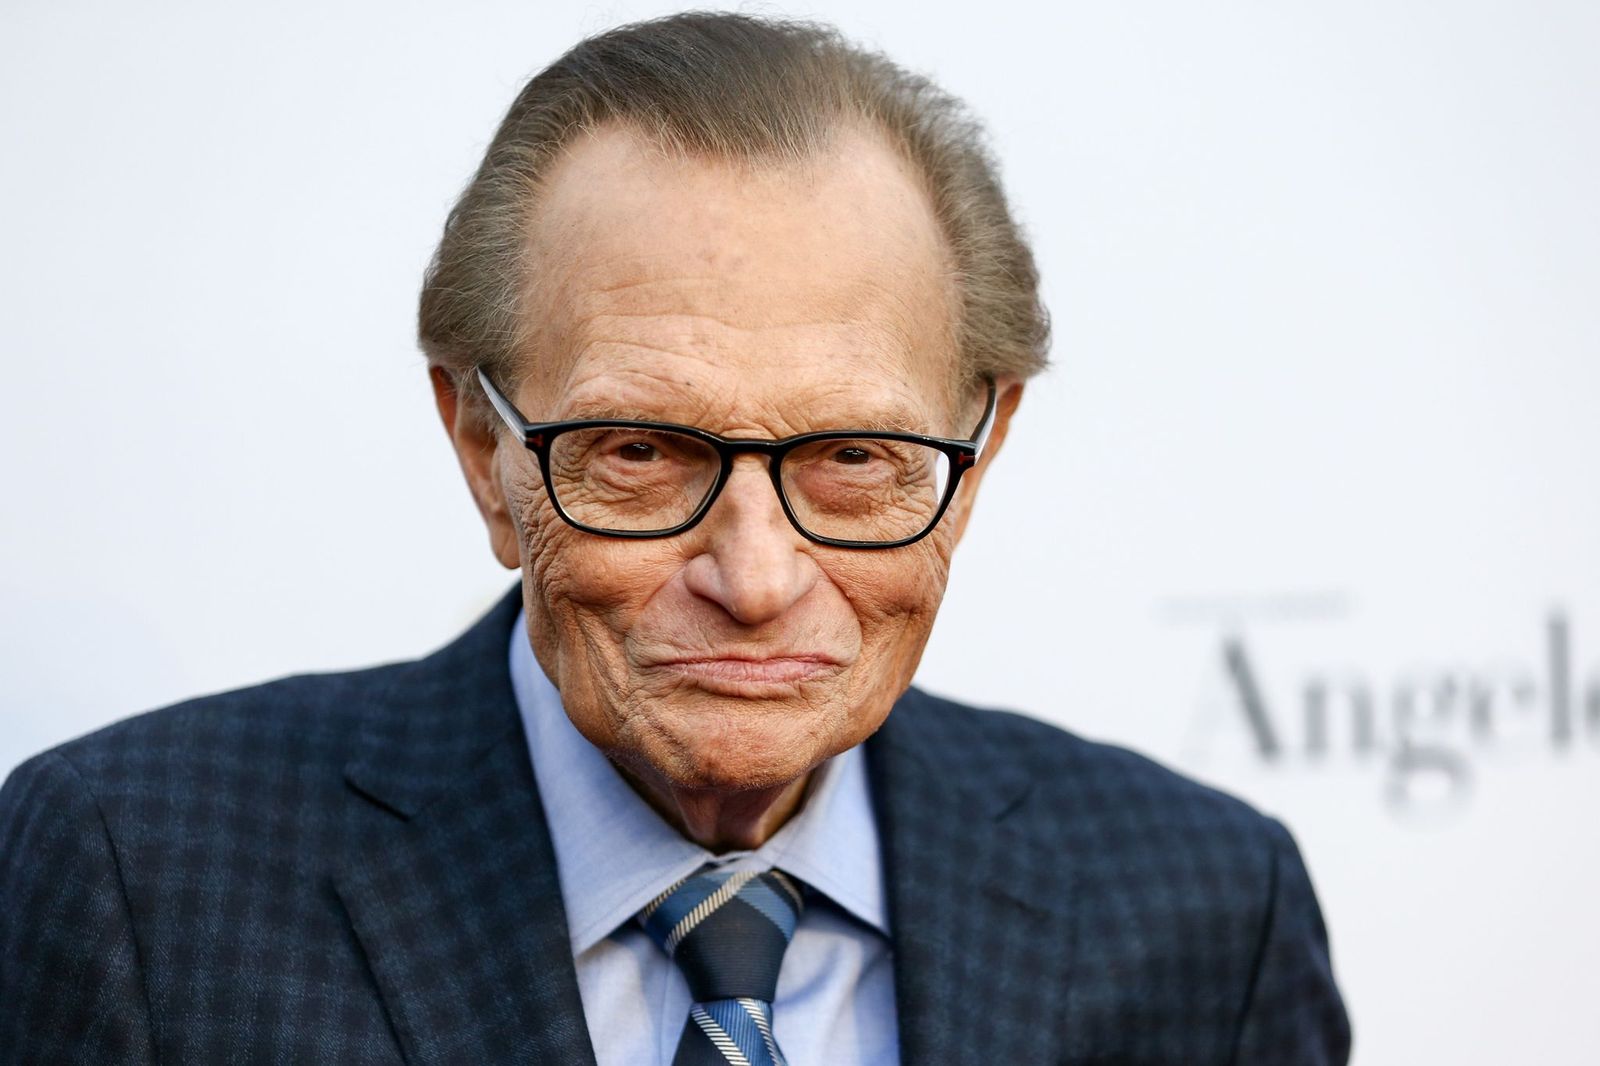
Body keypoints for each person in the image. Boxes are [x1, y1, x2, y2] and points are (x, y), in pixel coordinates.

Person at [0, 13, 1350, 1065]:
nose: (756, 577)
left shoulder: (1206, 913)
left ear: (979, 457)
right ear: (485, 451)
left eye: (853, 458)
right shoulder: (136, 885)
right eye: (641, 452)